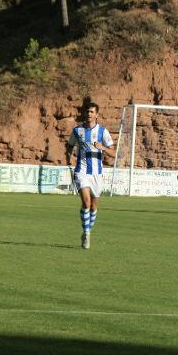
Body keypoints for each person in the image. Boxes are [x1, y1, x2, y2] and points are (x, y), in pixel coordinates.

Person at [65, 102, 115, 249]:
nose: (89, 114)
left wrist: (103, 148)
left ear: (97, 114)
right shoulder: (77, 131)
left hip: (97, 174)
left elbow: (113, 153)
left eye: (92, 112)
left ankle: (88, 229)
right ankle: (86, 233)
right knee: (86, 202)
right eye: (87, 111)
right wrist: (70, 158)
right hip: (81, 171)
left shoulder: (103, 131)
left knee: (93, 206)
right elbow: (69, 147)